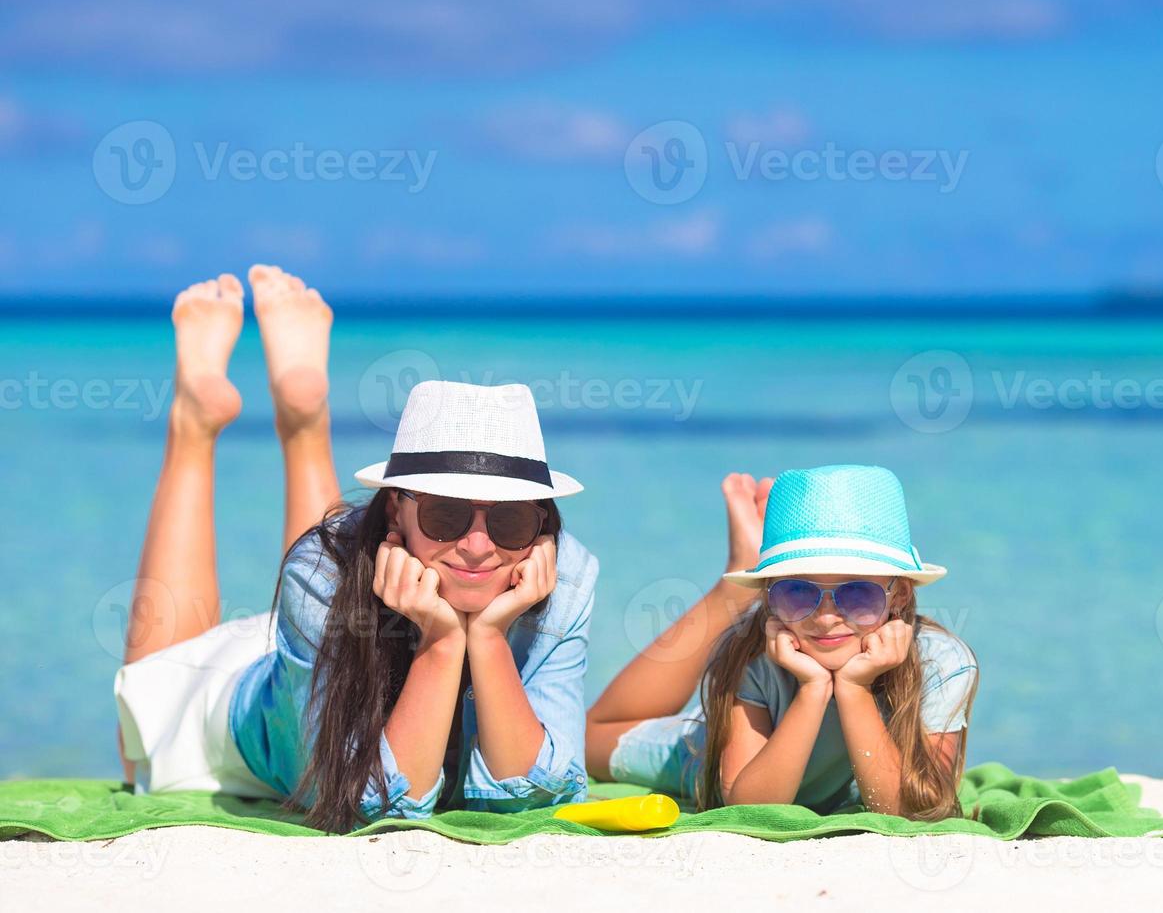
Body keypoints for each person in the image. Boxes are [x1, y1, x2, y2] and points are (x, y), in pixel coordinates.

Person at [114, 267, 596, 832]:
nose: (475, 546)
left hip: (325, 630)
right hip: (247, 706)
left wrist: (485, 636)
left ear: (540, 524)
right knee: (148, 708)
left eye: (509, 520)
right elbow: (362, 803)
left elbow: (537, 792)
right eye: (445, 515)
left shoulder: (569, 574)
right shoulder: (316, 577)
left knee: (332, 559)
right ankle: (195, 427)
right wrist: (443, 643)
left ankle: (300, 417)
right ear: (396, 509)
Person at [587, 464, 977, 820]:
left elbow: (914, 811)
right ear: (769, 597)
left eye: (858, 594)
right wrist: (812, 690)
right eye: (797, 593)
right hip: (702, 750)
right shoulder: (755, 654)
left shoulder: (939, 661)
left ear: (901, 595)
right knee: (587, 739)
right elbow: (751, 807)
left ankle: (755, 573)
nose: (826, 618)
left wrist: (854, 690)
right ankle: (733, 586)